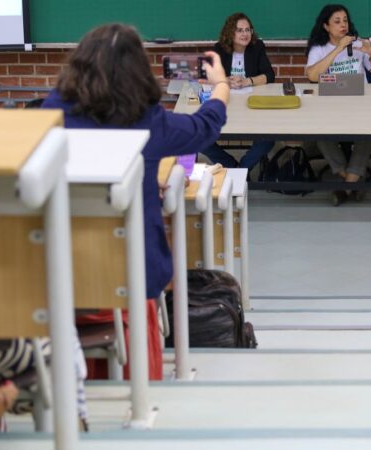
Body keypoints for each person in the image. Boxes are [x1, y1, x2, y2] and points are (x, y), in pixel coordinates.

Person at [43, 23, 230, 380]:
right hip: (130, 274)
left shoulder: (50, 114)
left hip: (56, 273)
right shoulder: (146, 121)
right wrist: (220, 86)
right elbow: (203, 127)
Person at [305, 4, 371, 205]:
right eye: (337, 21)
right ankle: (353, 179)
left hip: (360, 102)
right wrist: (338, 49)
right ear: (326, 26)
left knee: (368, 131)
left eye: (345, 20)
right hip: (330, 103)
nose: (343, 25)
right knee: (320, 132)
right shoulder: (319, 48)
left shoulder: (358, 44)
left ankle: (347, 182)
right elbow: (313, 77)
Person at [201, 12, 276, 174]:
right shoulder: (219, 48)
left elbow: (270, 76)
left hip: (252, 105)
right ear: (230, 33)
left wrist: (246, 81)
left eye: (248, 30)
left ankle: (241, 170)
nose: (245, 34)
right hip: (227, 105)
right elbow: (207, 75)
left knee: (268, 139)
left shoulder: (257, 47)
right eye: (240, 30)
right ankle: (232, 166)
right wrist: (224, 80)